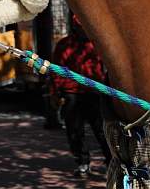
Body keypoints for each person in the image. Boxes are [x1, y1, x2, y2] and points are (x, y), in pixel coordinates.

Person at [51, 14, 112, 177]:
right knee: (75, 131)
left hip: (94, 94)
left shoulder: (97, 44)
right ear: (75, 27)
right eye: (80, 27)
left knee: (102, 131)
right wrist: (55, 93)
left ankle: (111, 162)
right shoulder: (64, 45)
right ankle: (83, 162)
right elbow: (56, 71)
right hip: (72, 95)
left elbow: (107, 67)